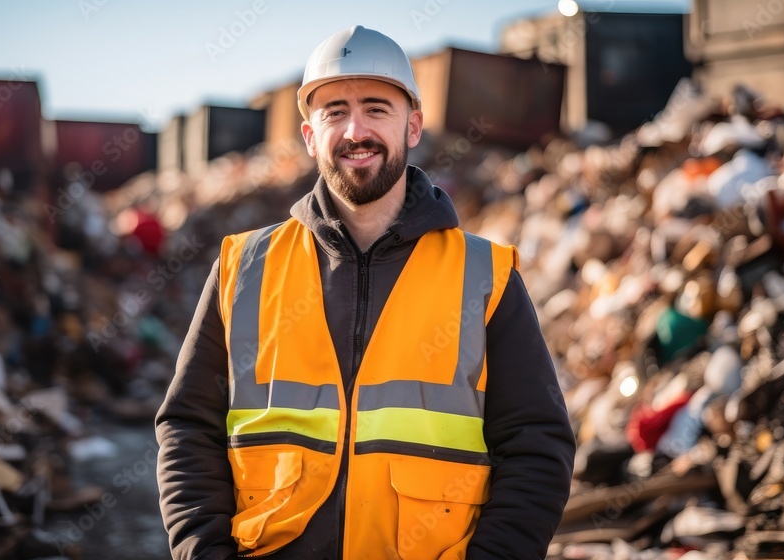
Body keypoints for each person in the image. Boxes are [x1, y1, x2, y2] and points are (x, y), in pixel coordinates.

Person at [156, 25, 575, 560]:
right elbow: (188, 427)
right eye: (334, 112)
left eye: (377, 108)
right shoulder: (245, 268)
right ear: (309, 136)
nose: (356, 130)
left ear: (413, 126)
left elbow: (538, 446)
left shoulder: (483, 276)